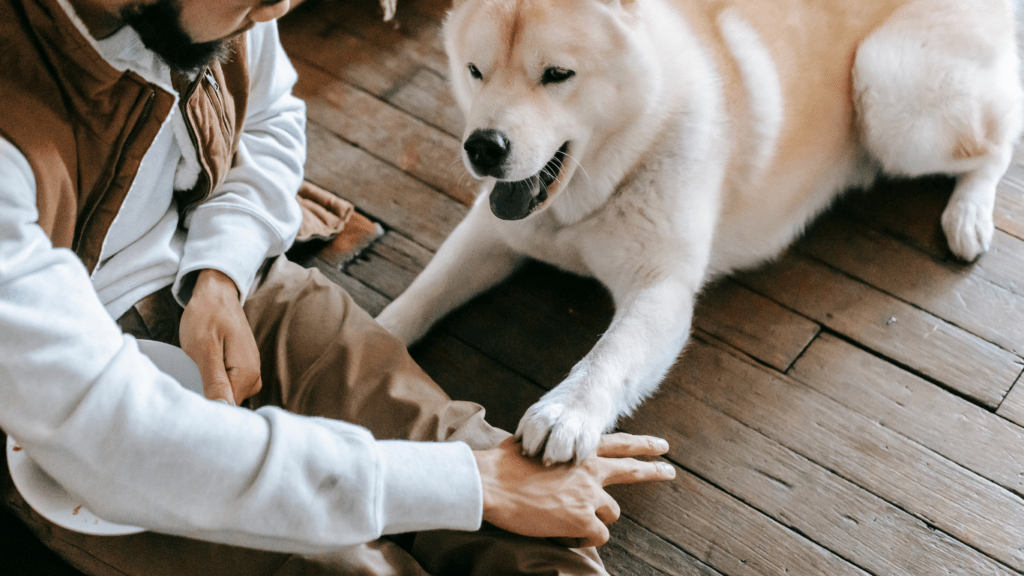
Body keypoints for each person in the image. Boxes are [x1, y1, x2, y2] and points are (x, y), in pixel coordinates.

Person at [0, 0, 677, 574]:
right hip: (39, 421)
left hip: (233, 290)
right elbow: (114, 439)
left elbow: (268, 119)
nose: (281, 10)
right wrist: (466, 484)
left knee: (516, 510)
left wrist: (220, 272)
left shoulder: (233, 8)